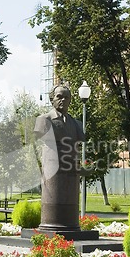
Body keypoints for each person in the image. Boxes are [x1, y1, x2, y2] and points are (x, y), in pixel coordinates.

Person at [33, 84, 85, 231]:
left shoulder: (77, 124)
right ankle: (52, 221)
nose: (63, 100)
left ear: (70, 101)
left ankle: (69, 222)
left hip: (70, 172)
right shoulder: (44, 120)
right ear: (52, 100)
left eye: (66, 97)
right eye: (59, 97)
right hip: (52, 168)